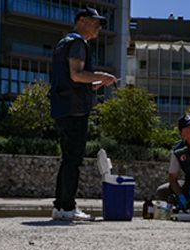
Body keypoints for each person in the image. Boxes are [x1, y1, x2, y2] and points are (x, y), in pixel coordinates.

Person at [49, 7, 118, 221]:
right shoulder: (77, 43)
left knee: (67, 159)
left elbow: (71, 79)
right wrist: (103, 76)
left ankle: (60, 207)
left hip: (62, 107)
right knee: (73, 160)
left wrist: (93, 84)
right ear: (81, 20)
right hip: (74, 110)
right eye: (94, 21)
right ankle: (68, 207)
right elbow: (76, 74)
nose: (98, 27)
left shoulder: (64, 43)